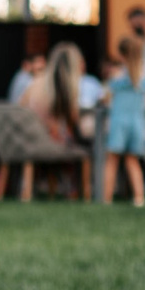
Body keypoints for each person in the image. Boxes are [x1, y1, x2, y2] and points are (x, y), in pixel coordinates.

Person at [16, 42, 93, 201]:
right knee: (83, 144)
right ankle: (79, 190)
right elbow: (73, 120)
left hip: (26, 139)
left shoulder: (35, 82)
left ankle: (58, 186)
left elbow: (19, 108)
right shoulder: (63, 87)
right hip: (47, 141)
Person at [103, 36, 145, 207]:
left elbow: (106, 96)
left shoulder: (117, 76)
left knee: (112, 160)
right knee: (132, 160)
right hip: (138, 122)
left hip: (119, 122)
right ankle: (139, 198)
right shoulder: (144, 75)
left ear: (122, 55)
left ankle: (106, 198)